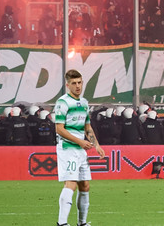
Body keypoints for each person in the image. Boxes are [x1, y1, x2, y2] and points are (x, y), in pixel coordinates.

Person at [54, 69, 106, 226]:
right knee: (70, 183)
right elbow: (59, 129)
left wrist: (96, 145)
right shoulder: (62, 102)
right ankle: (61, 223)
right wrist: (79, 141)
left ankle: (82, 223)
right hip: (68, 149)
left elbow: (87, 127)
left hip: (80, 150)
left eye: (79, 82)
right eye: (74, 83)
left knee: (85, 185)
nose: (77, 86)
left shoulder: (84, 103)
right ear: (68, 85)